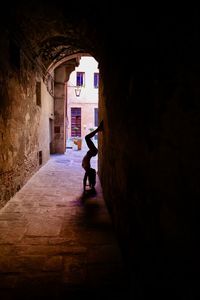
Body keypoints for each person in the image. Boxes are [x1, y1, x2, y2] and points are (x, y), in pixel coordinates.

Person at [82, 120, 103, 192]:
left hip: (92, 152)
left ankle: (98, 129)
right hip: (93, 152)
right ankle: (98, 129)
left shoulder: (86, 167)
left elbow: (85, 178)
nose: (93, 170)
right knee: (87, 138)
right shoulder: (87, 167)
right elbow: (85, 178)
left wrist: (86, 186)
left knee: (87, 138)